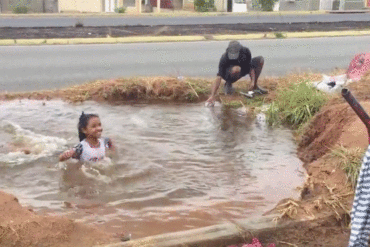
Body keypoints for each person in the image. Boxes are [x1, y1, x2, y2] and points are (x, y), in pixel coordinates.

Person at [206, 40, 267, 105]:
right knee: (236, 69)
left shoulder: (246, 51)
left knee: (260, 60)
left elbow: (250, 67)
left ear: (240, 50)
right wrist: (212, 95)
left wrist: (252, 82)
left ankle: (254, 86)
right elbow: (219, 77)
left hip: (243, 68)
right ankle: (228, 84)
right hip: (228, 73)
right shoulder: (224, 57)